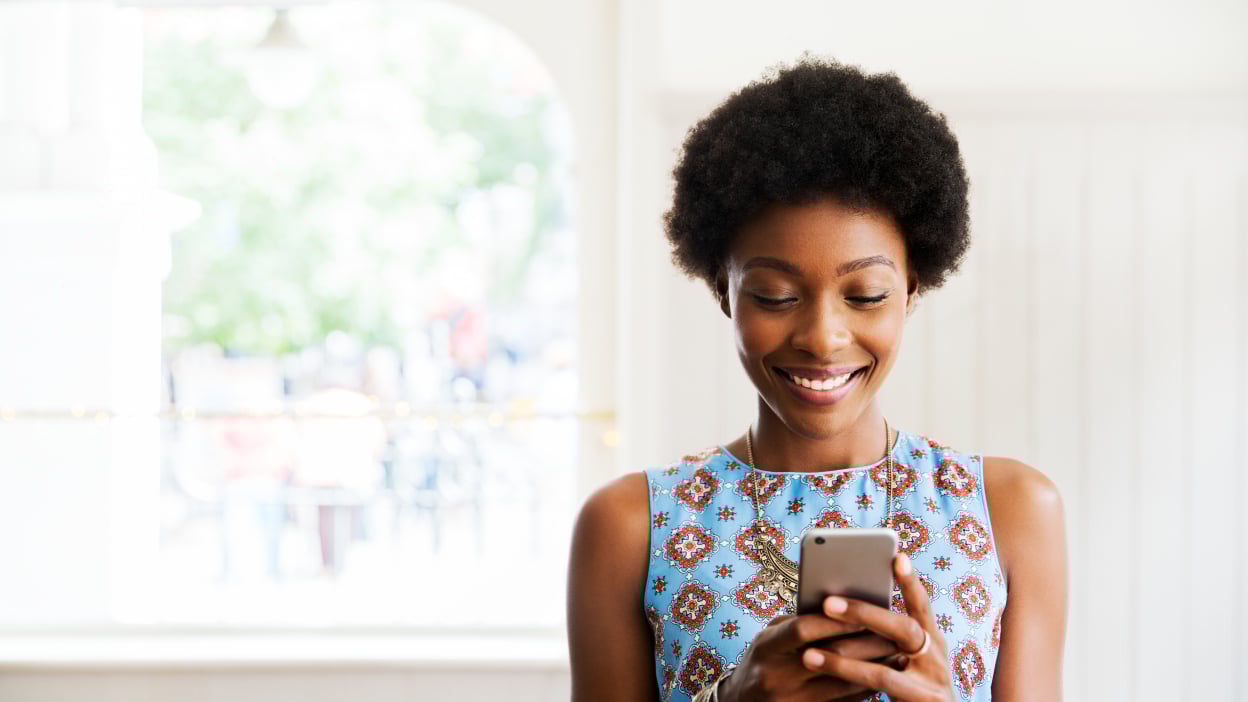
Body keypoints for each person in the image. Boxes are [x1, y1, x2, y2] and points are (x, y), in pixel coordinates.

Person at [566, 57, 1067, 702]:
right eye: (775, 296)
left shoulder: (1012, 510)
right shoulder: (631, 526)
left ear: (911, 290)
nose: (823, 338)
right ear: (725, 292)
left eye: (865, 294)